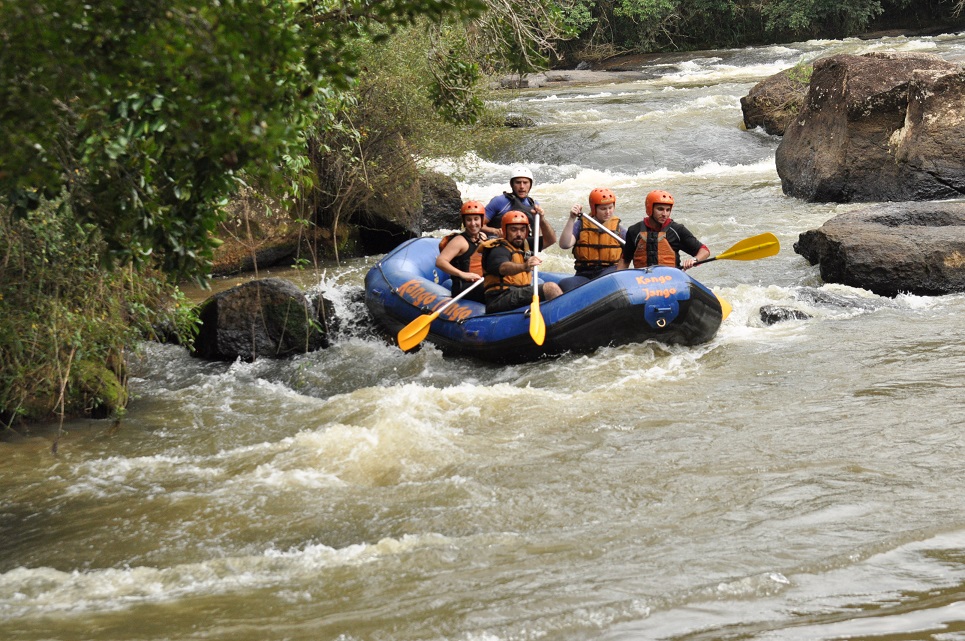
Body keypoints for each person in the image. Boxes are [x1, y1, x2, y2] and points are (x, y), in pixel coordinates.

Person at [479, 210, 562, 314]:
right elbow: (503, 267)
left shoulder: (525, 244)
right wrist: (524, 266)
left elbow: (550, 240)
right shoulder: (498, 248)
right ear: (505, 230)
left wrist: (542, 220)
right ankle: (562, 318)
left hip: (519, 292)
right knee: (551, 288)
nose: (519, 234)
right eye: (514, 230)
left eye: (522, 230)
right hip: (500, 297)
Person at [618, 190, 710, 270]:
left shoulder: (677, 230)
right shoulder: (634, 230)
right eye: (660, 209)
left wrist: (695, 260)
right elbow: (625, 260)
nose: (664, 214)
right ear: (650, 209)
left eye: (668, 210)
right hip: (642, 279)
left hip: (670, 279)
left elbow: (704, 250)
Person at [557, 187, 627, 292]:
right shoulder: (581, 225)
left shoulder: (619, 230)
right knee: (565, 284)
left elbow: (632, 252)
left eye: (610, 207)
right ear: (594, 209)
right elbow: (565, 244)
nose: (608, 212)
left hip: (608, 271)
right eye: (603, 209)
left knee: (605, 280)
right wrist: (572, 218)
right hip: (584, 274)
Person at [483, 166, 557, 249]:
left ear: (530, 185)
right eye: (518, 182)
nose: (522, 186)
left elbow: (544, 239)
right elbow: (478, 225)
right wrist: (495, 231)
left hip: (522, 246)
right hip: (499, 246)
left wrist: (542, 219)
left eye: (525, 183)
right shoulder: (499, 201)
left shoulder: (534, 205)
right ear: (512, 184)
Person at [435, 200, 489, 304]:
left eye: (476, 219)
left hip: (479, 283)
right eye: (469, 220)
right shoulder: (459, 241)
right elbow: (440, 261)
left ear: (482, 220)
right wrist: (462, 274)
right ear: (464, 222)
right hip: (463, 287)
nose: (473, 224)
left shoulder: (483, 237)